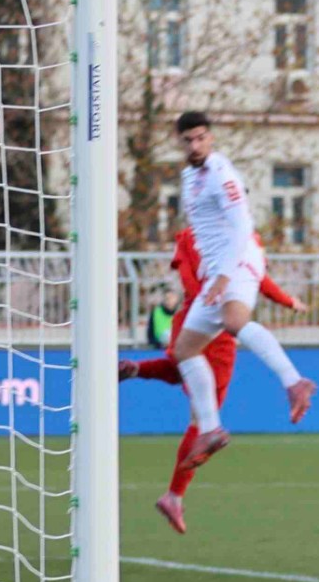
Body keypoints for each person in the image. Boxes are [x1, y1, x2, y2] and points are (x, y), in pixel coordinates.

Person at [121, 226, 306, 533]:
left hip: (194, 317)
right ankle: (174, 495)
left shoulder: (195, 234)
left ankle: (137, 370)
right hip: (215, 322)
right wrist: (214, 303)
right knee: (204, 416)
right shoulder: (234, 235)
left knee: (185, 366)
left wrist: (287, 301)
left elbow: (195, 275)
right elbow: (253, 280)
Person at [171, 111, 317, 468]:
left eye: (201, 137)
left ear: (211, 138)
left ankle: (294, 381)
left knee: (234, 320)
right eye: (188, 139)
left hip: (235, 260)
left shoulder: (222, 174)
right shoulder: (189, 175)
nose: (195, 145)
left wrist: (222, 275)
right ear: (180, 141)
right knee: (185, 349)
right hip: (216, 268)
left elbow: (242, 226)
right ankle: (210, 428)